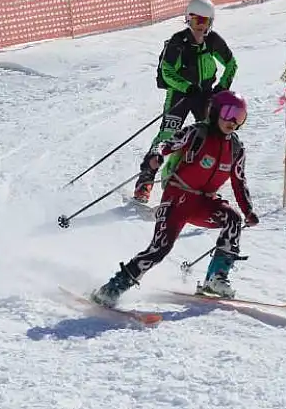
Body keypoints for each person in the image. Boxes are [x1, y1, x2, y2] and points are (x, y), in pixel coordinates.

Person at [92, 90, 260, 306]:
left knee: (233, 220)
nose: (233, 121)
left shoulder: (236, 148)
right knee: (160, 248)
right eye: (229, 113)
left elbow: (239, 181)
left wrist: (248, 210)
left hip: (205, 202)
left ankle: (216, 278)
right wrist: (156, 156)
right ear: (216, 111)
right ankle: (113, 288)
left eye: (240, 116)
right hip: (178, 198)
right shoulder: (196, 133)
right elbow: (167, 144)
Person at [132, 0, 238, 205]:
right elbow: (167, 70)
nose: (201, 27)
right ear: (188, 19)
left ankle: (202, 184)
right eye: (197, 20)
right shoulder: (177, 42)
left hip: (205, 95)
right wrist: (186, 87)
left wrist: (222, 88)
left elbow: (231, 63)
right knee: (167, 135)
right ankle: (146, 179)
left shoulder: (213, 40)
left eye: (205, 22)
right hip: (180, 95)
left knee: (212, 137)